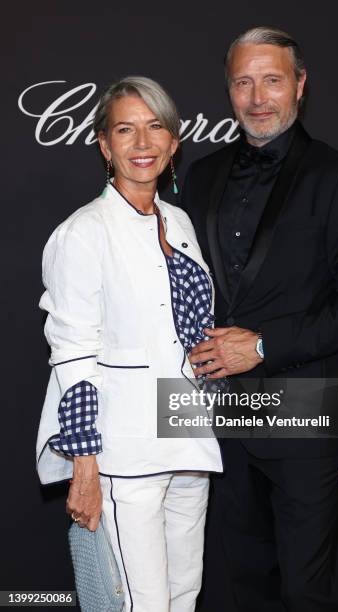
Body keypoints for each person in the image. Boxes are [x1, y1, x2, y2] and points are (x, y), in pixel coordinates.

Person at [182, 27, 338, 612]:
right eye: (243, 82)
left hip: (302, 416)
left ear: (299, 85)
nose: (257, 98)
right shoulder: (200, 176)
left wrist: (264, 347)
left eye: (272, 80)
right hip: (217, 419)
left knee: (304, 592)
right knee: (238, 586)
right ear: (228, 90)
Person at [36, 76, 222, 612]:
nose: (142, 143)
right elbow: (72, 353)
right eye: (125, 129)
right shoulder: (84, 232)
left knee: (184, 594)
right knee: (143, 604)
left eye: (154, 127)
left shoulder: (180, 222)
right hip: (126, 449)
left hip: (187, 434)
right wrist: (85, 466)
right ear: (104, 145)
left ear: (173, 142)